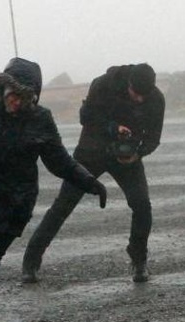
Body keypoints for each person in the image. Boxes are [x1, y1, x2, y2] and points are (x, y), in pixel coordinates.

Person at [0, 57, 107, 322]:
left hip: (13, 204)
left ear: (35, 97)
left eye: (25, 97)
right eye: (13, 94)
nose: (17, 102)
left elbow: (60, 161)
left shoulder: (41, 118)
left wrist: (90, 182)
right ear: (2, 88)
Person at [22, 63, 165, 284]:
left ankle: (139, 259)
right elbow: (85, 116)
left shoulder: (155, 99)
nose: (139, 100)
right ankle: (31, 261)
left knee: (142, 205)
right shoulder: (103, 84)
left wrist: (138, 153)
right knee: (63, 205)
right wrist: (113, 128)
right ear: (129, 83)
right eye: (135, 94)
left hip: (127, 157)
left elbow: (154, 137)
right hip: (91, 152)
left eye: (143, 97)